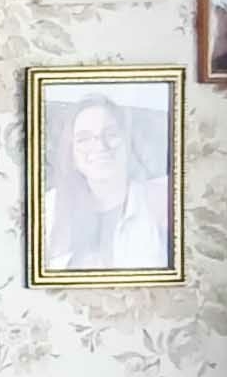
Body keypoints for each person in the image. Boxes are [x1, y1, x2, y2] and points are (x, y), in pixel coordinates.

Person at [43, 93, 172, 270]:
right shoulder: (48, 208)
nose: (100, 146)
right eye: (84, 139)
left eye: (111, 134)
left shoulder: (160, 200)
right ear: (70, 152)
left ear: (127, 144)